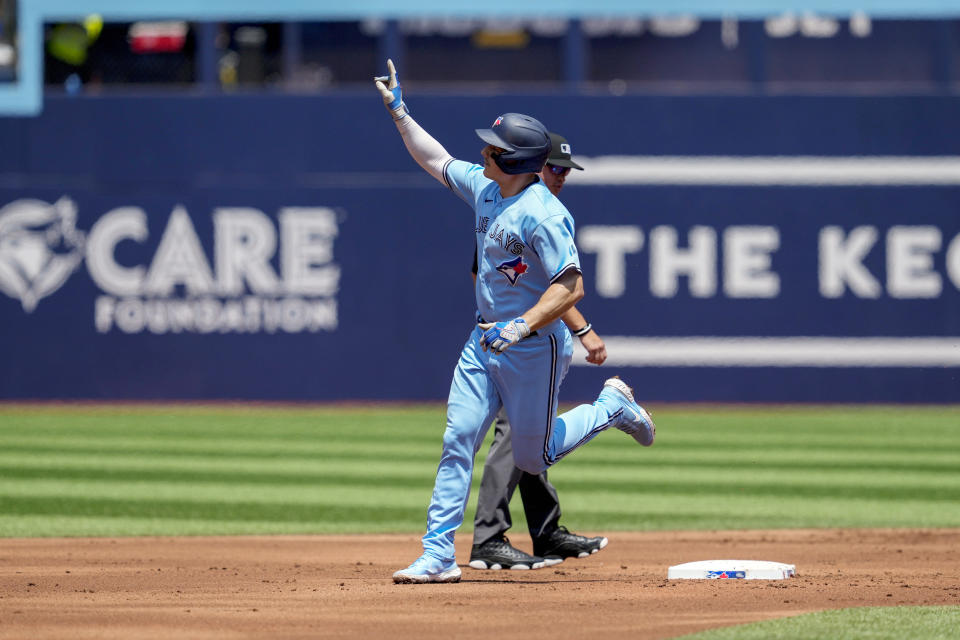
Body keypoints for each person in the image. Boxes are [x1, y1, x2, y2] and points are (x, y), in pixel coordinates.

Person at [374, 59, 656, 585]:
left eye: (493, 148)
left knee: (535, 454)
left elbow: (571, 285)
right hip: (483, 341)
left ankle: (612, 406)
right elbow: (434, 158)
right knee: (458, 437)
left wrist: (523, 325)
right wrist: (399, 112)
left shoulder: (544, 213)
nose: (483, 152)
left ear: (516, 159)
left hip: (535, 349)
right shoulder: (485, 187)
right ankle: (437, 553)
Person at [469, 133, 610, 571]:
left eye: (566, 170)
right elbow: (517, 287)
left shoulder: (544, 214)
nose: (561, 177)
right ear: (531, 165)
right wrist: (583, 328)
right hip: (507, 343)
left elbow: (554, 290)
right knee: (516, 433)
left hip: (528, 337)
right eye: (555, 168)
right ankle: (489, 536)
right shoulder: (504, 210)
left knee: (532, 432)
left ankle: (546, 531)